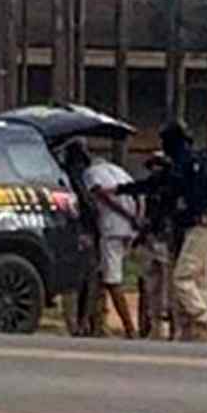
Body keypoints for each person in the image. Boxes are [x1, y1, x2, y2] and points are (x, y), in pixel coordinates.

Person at [109, 121, 207, 343]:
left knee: (182, 278)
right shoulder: (182, 163)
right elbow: (156, 184)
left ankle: (206, 323)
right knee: (195, 280)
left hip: (204, 224)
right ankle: (195, 332)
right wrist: (121, 189)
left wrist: (181, 205)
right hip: (194, 227)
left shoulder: (191, 163)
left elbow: (192, 192)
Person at [81, 142, 141, 339]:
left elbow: (100, 194)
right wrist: (136, 217)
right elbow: (136, 193)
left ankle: (130, 328)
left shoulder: (90, 173)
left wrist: (124, 214)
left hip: (112, 228)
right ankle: (89, 324)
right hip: (129, 229)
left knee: (112, 280)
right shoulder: (119, 171)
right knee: (100, 276)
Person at [125, 152, 176, 340]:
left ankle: (172, 328)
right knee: (150, 286)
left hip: (167, 242)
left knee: (170, 289)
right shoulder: (149, 192)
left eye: (160, 166)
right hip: (151, 241)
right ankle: (154, 326)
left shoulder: (172, 190)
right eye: (153, 166)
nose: (155, 170)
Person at [57, 139, 103, 337]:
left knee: (76, 282)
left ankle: (77, 323)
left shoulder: (60, 176)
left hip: (68, 232)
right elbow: (88, 208)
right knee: (85, 280)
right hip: (80, 232)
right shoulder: (75, 178)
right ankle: (79, 323)